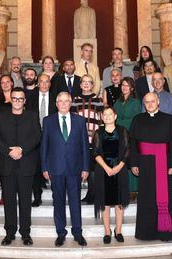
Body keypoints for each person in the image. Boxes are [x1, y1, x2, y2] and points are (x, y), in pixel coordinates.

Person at [0, 87, 41, 246]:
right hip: (7, 165)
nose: (18, 101)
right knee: (10, 202)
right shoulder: (1, 116)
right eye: (15, 98)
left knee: (26, 202)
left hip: (26, 165)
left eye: (21, 99)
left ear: (24, 101)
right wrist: (8, 151)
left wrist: (22, 150)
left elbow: (37, 136)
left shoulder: (32, 116)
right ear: (10, 99)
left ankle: (26, 233)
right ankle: (10, 233)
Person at [41, 92, 90, 247]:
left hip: (75, 168)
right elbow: (44, 146)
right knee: (59, 202)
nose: (63, 104)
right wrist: (44, 167)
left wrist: (86, 167)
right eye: (60, 101)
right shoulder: (48, 121)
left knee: (75, 202)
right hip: (55, 168)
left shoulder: (80, 121)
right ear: (56, 103)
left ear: (70, 103)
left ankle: (77, 233)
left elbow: (84, 145)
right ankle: (61, 233)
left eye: (66, 101)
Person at [130, 93, 172, 241]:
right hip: (144, 164)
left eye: (153, 101)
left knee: (164, 197)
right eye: (147, 102)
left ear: (158, 102)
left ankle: (166, 232)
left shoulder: (169, 119)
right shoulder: (137, 120)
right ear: (144, 104)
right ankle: (146, 232)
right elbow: (133, 144)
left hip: (164, 163)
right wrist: (134, 163)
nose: (150, 104)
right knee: (146, 198)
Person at [92, 107, 130, 244]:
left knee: (119, 203)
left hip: (120, 170)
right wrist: (107, 168)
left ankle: (118, 230)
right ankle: (107, 231)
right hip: (103, 170)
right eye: (105, 114)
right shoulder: (98, 132)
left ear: (115, 116)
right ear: (102, 117)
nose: (107, 116)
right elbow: (95, 153)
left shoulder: (123, 131)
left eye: (110, 114)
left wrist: (118, 167)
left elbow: (127, 151)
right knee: (105, 203)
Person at [71, 74, 104, 205]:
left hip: (94, 138)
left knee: (93, 168)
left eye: (89, 82)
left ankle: (93, 194)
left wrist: (99, 137)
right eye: (83, 82)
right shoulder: (75, 100)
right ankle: (80, 194)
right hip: (79, 140)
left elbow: (101, 120)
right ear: (80, 85)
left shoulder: (98, 99)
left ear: (92, 85)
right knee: (81, 167)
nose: (86, 84)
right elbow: (72, 119)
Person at [26, 74, 58, 207]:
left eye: (47, 82)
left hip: (53, 138)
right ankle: (37, 196)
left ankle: (57, 196)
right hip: (35, 137)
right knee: (36, 168)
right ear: (38, 83)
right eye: (41, 82)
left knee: (55, 167)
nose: (44, 84)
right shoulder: (31, 98)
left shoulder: (56, 99)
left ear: (50, 84)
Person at [113, 77, 142, 198]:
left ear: (132, 87)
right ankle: (122, 187)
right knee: (120, 161)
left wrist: (119, 121)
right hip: (117, 135)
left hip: (130, 135)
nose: (124, 87)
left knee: (130, 161)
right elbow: (112, 116)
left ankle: (133, 190)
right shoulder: (118, 101)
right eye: (123, 85)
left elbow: (134, 119)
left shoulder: (135, 102)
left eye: (127, 85)